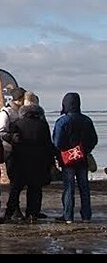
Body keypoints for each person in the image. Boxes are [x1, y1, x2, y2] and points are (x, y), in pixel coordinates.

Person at [4, 94, 54, 223]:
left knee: (16, 189)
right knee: (35, 189)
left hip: (20, 161)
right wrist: (51, 162)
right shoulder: (43, 125)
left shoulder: (17, 124)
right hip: (38, 162)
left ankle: (9, 213)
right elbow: (48, 144)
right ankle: (32, 214)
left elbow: (12, 141)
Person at [52, 92, 98, 224]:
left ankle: (68, 216)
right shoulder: (87, 120)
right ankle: (86, 216)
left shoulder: (62, 121)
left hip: (68, 160)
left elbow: (57, 142)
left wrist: (64, 152)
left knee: (69, 188)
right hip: (83, 159)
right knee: (84, 187)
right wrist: (84, 150)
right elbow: (94, 139)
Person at [0, 86, 26, 220]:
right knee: (15, 182)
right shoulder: (5, 113)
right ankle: (13, 210)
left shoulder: (22, 112)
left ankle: (15, 209)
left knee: (20, 182)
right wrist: (11, 137)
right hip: (9, 151)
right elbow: (0, 132)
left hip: (22, 151)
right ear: (18, 100)